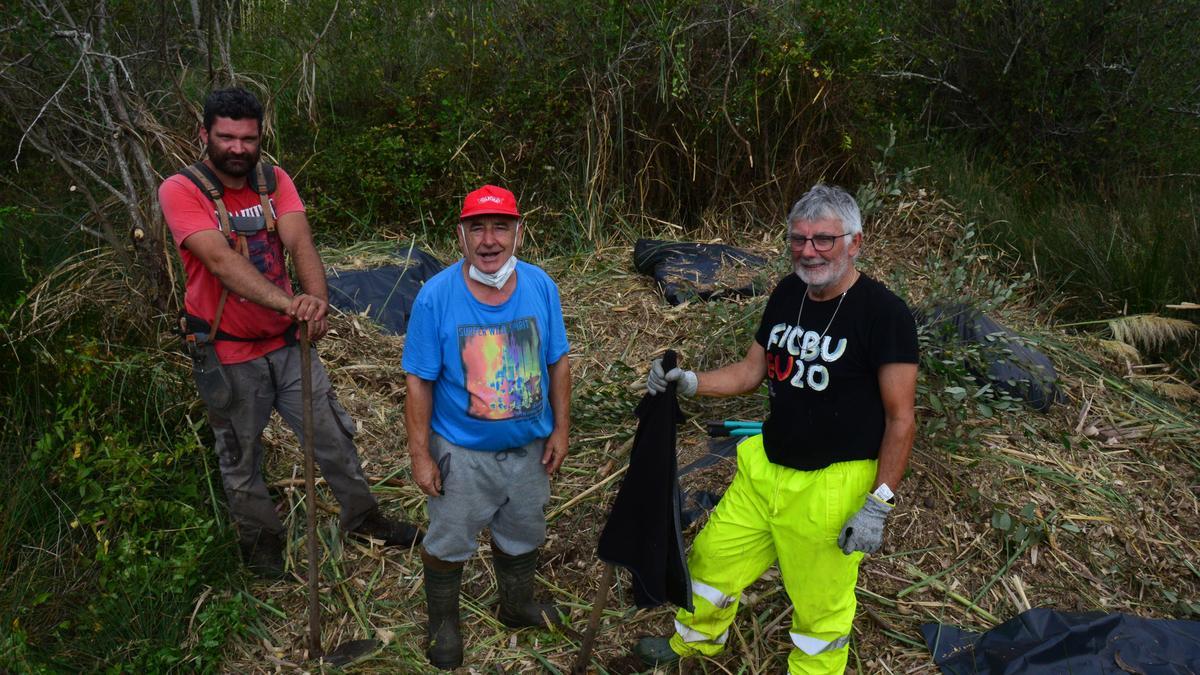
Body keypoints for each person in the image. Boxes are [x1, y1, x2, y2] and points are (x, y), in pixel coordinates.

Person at [633, 184, 919, 673]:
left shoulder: (883, 314)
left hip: (831, 484)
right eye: (798, 239)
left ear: (855, 242)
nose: (809, 251)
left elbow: (901, 417)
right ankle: (694, 645)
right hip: (766, 468)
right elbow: (750, 373)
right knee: (710, 561)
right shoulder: (789, 293)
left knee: (820, 607)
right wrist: (690, 382)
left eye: (824, 240)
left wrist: (878, 504)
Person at [159, 87, 422, 579]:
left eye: (248, 138)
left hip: (287, 345)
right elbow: (219, 260)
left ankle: (364, 520)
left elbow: (300, 241)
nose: (238, 148)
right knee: (241, 455)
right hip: (229, 352)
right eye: (226, 137)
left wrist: (316, 301)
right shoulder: (181, 189)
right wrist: (292, 304)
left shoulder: (273, 179)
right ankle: (262, 543)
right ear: (204, 135)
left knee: (334, 438)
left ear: (261, 137)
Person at [402, 185, 571, 670]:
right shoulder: (436, 297)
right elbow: (419, 381)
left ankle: (516, 606)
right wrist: (420, 454)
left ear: (518, 233)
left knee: (522, 532)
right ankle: (443, 625)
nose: (490, 240)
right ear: (461, 235)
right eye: (478, 227)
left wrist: (561, 430)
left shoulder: (541, 286)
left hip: (529, 449)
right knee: (449, 539)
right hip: (463, 452)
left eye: (500, 227)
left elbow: (558, 362)